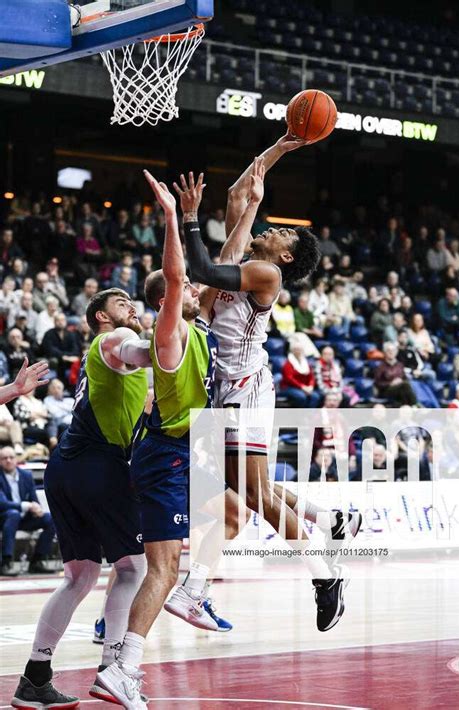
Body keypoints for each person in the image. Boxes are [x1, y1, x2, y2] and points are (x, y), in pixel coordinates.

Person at [179, 141, 351, 634]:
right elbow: (240, 191)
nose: (270, 228)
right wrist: (283, 144)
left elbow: (204, 271)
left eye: (280, 233)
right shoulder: (249, 253)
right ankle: (326, 521)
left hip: (248, 388)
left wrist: (191, 218)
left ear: (286, 254)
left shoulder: (266, 272)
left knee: (253, 494)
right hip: (226, 389)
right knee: (247, 492)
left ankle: (324, 576)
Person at [93, 173, 241, 708]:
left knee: (230, 514)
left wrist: (246, 201)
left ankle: (183, 600)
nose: (202, 287)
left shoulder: (202, 328)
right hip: (165, 455)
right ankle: (123, 665)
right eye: (191, 288)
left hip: (183, 451)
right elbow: (180, 279)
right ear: (168, 302)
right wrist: (175, 217)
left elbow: (222, 264)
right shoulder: (170, 332)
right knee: (160, 567)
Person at [11, 288, 149, 710]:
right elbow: (149, 353)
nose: (131, 306)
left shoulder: (121, 369)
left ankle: (35, 678)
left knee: (80, 576)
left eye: (132, 301)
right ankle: (112, 670)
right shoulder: (110, 341)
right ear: (101, 317)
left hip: (66, 468)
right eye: (121, 303)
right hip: (97, 466)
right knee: (133, 569)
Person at [0, 447, 56, 576]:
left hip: (24, 519)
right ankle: (6, 562)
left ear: (16, 460)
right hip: (4, 518)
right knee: (13, 514)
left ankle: (37, 560)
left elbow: (34, 499)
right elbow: (2, 503)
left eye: (11, 457)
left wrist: (37, 508)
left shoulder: (26, 475)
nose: (8, 460)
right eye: (4, 458)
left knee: (50, 519)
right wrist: (25, 505)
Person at [281, 339, 320, 407]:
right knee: (301, 397)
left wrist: (310, 386)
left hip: (305, 387)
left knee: (315, 396)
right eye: (296, 349)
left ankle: (309, 416)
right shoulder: (288, 363)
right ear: (292, 350)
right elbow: (289, 378)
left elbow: (311, 376)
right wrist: (302, 387)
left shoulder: (305, 362)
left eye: (300, 349)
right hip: (289, 387)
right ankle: (300, 416)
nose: (298, 351)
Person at [41, 313, 81, 380]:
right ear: (54, 322)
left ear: (65, 321)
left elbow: (75, 351)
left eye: (62, 320)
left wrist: (65, 357)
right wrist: (64, 357)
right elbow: (50, 350)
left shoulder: (71, 334)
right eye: (58, 320)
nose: (60, 322)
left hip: (68, 365)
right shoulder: (48, 334)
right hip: (53, 364)